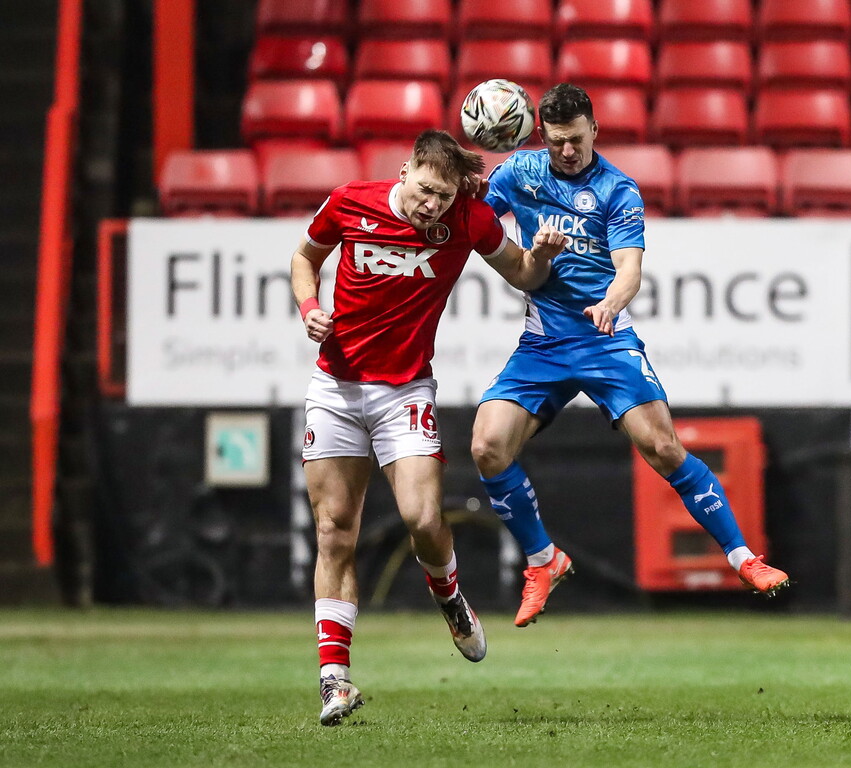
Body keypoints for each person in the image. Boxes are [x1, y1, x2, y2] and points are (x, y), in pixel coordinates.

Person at [470, 83, 791, 629]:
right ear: (540, 135)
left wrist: (609, 304)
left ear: (594, 129)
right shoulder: (519, 173)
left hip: (606, 338)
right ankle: (543, 561)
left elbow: (630, 271)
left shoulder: (618, 189)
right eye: (555, 143)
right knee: (486, 447)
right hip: (543, 342)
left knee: (664, 447)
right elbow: (473, 221)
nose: (566, 152)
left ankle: (744, 559)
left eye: (575, 140)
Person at [290, 129, 565, 726]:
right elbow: (305, 257)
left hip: (405, 391)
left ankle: (450, 597)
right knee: (336, 530)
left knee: (421, 518)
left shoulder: (468, 219)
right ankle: (334, 680)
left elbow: (522, 273)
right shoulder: (349, 201)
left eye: (443, 196)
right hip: (335, 389)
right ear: (405, 170)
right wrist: (311, 309)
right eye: (425, 191)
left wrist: (540, 254)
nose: (431, 205)